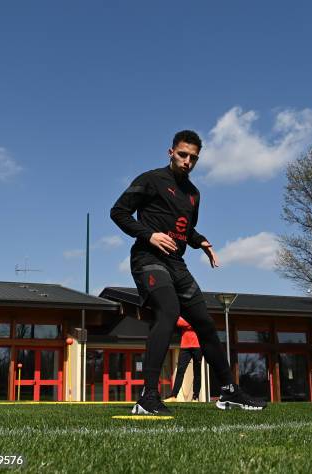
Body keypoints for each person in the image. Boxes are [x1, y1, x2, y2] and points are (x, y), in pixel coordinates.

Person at [110, 130, 266, 415]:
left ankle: (229, 393)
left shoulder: (193, 195)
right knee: (168, 311)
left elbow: (185, 229)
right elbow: (118, 212)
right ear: (171, 152)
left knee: (205, 324)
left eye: (193, 158)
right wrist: (149, 235)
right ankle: (148, 396)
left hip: (177, 265)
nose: (187, 161)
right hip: (148, 258)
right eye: (182, 155)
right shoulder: (150, 179)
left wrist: (200, 241)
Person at [165, 316, 202, 402]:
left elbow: (199, 323)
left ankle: (195, 397)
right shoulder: (184, 312)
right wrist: (191, 323)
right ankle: (174, 396)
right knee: (180, 371)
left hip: (197, 346)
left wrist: (187, 323)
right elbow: (178, 322)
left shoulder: (197, 311)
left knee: (197, 372)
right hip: (185, 346)